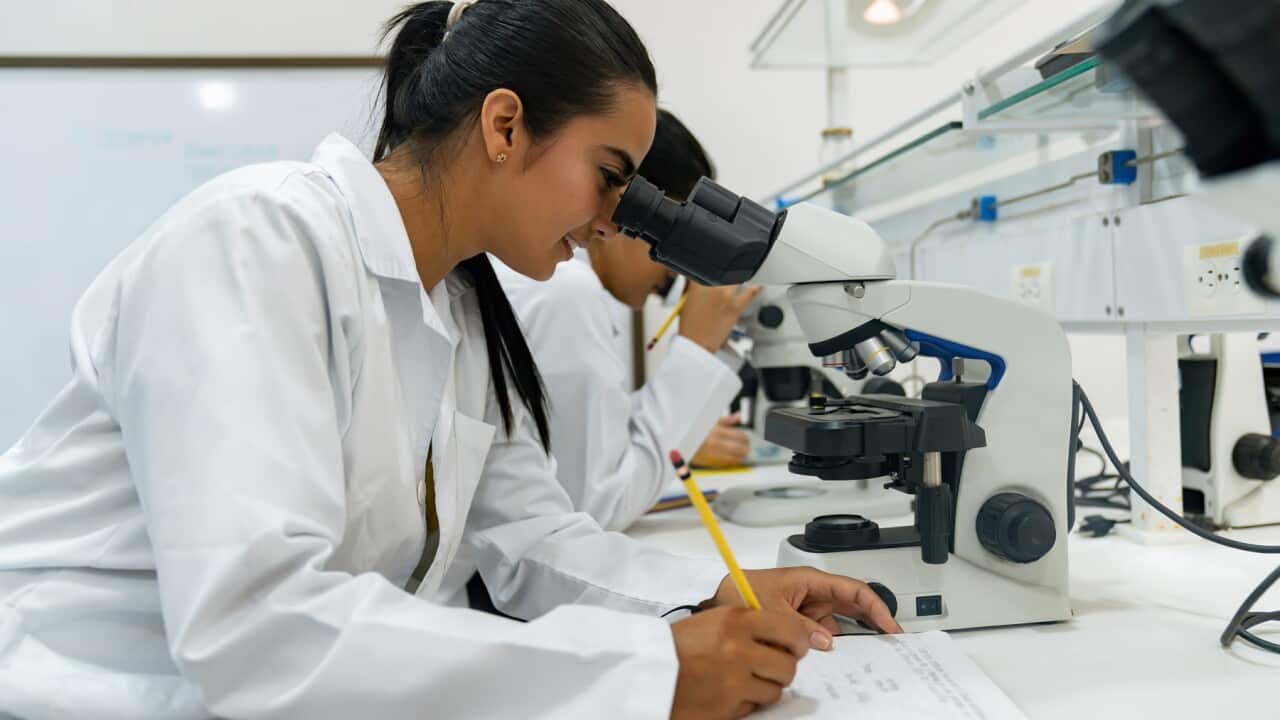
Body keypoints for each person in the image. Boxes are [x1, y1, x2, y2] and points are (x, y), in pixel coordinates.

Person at [0, 2, 898, 718]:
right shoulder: (259, 239)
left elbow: (532, 540)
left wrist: (719, 591)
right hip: (79, 687)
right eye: (610, 174)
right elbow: (257, 629)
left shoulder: (463, 304)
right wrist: (644, 675)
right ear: (504, 125)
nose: (616, 218)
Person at [496, 109, 754, 532]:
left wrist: (684, 439)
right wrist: (696, 348)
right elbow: (595, 509)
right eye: (678, 234)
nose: (679, 269)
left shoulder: (559, 280)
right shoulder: (564, 287)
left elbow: (566, 438)